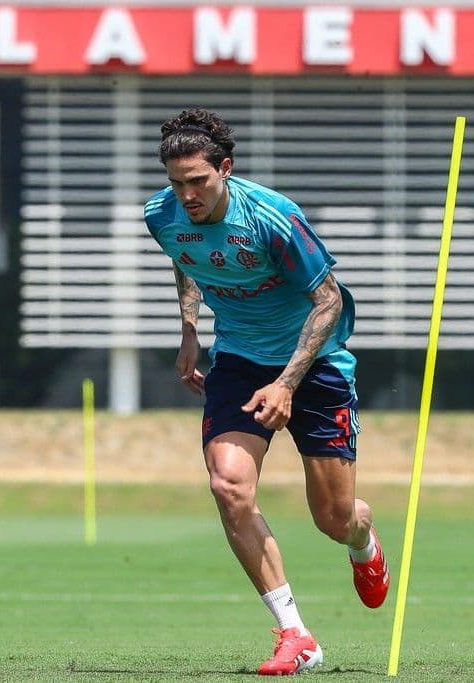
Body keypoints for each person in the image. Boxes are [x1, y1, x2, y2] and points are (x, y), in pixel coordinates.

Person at [144, 107, 390, 676]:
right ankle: (295, 633)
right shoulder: (161, 215)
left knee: (332, 518)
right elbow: (187, 262)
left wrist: (286, 382)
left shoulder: (274, 219)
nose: (186, 195)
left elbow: (328, 300)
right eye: (176, 183)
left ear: (224, 169)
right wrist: (189, 332)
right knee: (229, 486)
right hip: (237, 362)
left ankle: (362, 537)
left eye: (198, 182)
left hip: (316, 364)